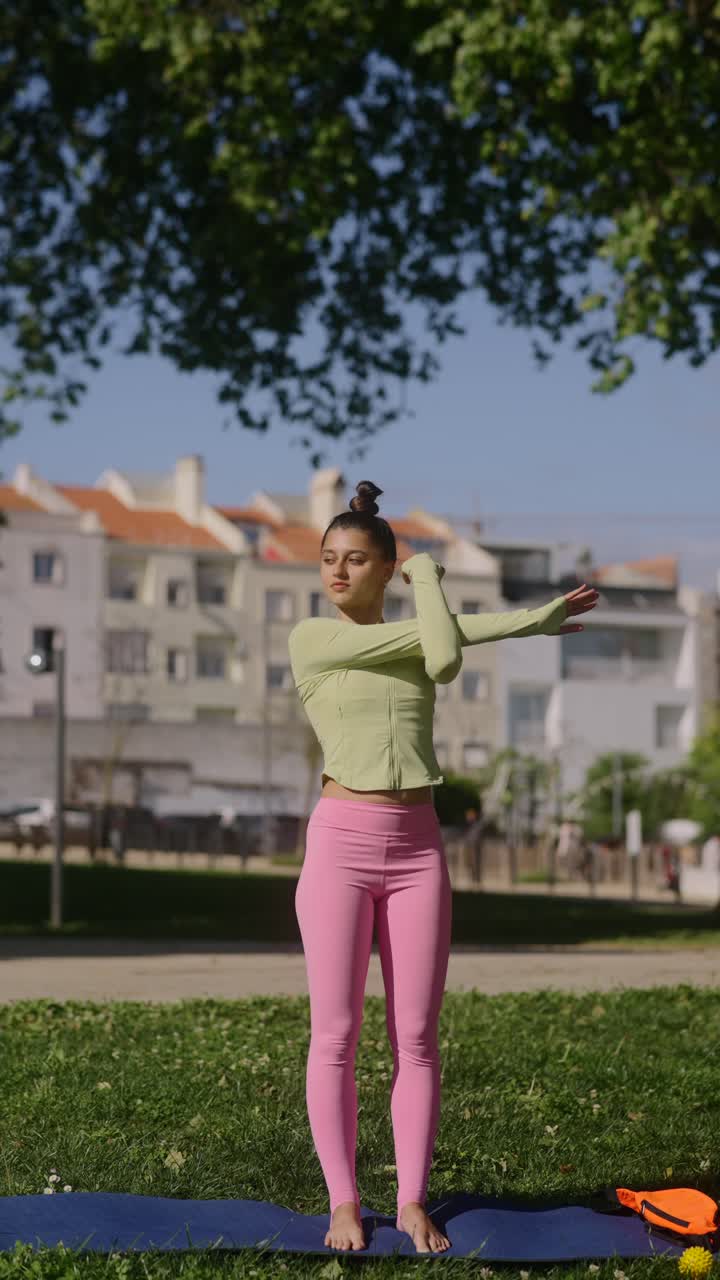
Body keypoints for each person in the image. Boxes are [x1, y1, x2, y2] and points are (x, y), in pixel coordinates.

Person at [287, 478, 598, 1255]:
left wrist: (539, 615)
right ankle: (345, 1202)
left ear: (383, 570)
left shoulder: (420, 629)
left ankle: (415, 1199)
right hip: (341, 846)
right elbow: (445, 650)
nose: (337, 572)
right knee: (337, 1032)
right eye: (329, 559)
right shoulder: (311, 638)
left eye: (357, 560)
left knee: (418, 1035)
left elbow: (444, 648)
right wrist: (429, 578)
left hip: (417, 847)